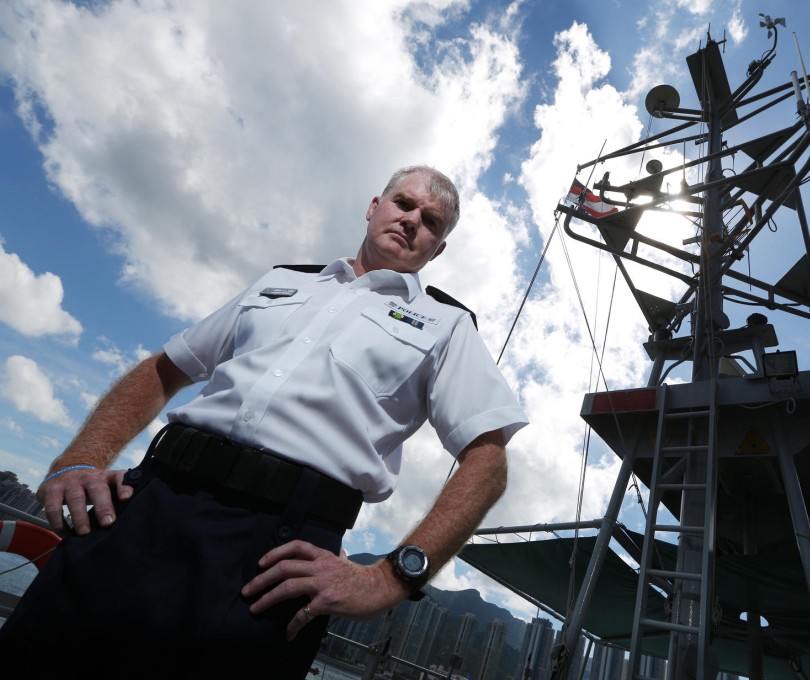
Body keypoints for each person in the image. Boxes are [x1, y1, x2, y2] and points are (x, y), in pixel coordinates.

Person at [0, 166, 529, 679]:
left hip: (274, 553)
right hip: (146, 503)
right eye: (404, 203)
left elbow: (488, 459)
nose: (413, 219)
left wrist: (392, 576)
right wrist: (78, 459)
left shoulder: (447, 325)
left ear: (438, 248)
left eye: (432, 221)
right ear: (374, 207)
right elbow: (165, 368)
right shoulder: (279, 280)